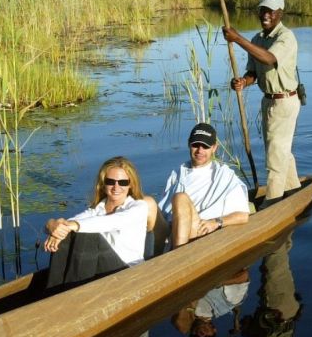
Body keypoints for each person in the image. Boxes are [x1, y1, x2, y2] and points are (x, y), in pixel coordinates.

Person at [223, 0, 301, 201]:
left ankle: (273, 203)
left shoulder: (286, 37)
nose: (265, 15)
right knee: (278, 150)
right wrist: (243, 82)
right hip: (268, 101)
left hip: (285, 101)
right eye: (263, 10)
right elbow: (254, 73)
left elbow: (268, 59)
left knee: (275, 158)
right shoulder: (258, 39)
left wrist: (237, 38)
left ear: (279, 13)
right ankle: (294, 189)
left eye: (270, 11)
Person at [43, 156, 153, 287]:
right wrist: (52, 226)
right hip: (103, 268)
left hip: (128, 272)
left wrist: (74, 225)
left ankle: (74, 295)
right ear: (103, 183)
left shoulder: (138, 207)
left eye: (123, 182)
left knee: (86, 233)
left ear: (130, 184)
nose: (116, 187)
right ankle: (52, 291)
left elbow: (112, 222)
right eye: (110, 181)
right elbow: (67, 224)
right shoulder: (96, 210)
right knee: (65, 233)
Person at [155, 123, 249, 250]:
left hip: (199, 233)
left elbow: (243, 215)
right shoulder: (178, 172)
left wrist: (216, 223)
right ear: (189, 144)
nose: (200, 150)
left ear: (214, 148)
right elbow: (162, 211)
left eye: (205, 146)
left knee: (180, 198)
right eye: (196, 145)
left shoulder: (224, 175)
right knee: (148, 203)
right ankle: (145, 260)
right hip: (171, 230)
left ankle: (178, 256)